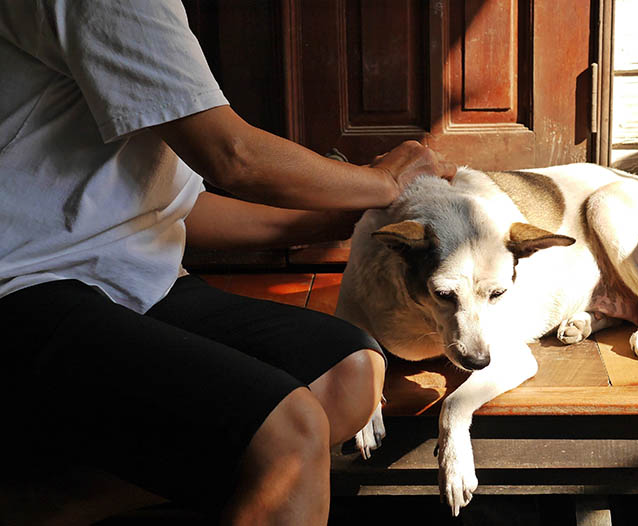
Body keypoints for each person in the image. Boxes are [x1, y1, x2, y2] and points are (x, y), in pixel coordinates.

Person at [0, 1, 455, 525]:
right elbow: (233, 157)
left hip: (131, 276)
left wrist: (322, 223)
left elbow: (174, 209)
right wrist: (386, 181)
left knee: (348, 375)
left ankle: (66, 501)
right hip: (26, 285)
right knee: (289, 438)